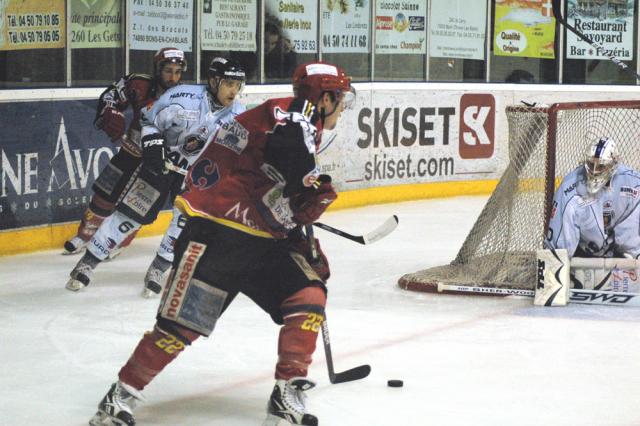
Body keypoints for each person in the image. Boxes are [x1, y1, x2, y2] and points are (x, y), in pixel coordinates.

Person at [87, 61, 354, 426]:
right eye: (340, 98)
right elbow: (284, 159)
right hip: (217, 234)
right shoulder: (297, 120)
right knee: (180, 327)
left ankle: (286, 392)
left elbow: (266, 186)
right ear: (324, 98)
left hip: (259, 239)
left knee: (308, 295)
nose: (342, 107)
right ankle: (120, 395)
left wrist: (298, 231)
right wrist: (307, 189)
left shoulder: (293, 117)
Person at [66, 57, 247, 292]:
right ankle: (87, 263)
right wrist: (153, 147)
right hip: (162, 166)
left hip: (195, 180)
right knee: (130, 215)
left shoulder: (239, 116)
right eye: (229, 83)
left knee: (181, 224)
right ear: (214, 81)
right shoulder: (182, 97)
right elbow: (148, 120)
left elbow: (236, 155)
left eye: (237, 85)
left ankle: (159, 268)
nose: (234, 91)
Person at [63, 47, 186, 255]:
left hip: (157, 160)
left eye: (177, 72)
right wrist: (109, 111)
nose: (173, 77)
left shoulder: (187, 97)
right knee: (105, 192)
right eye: (168, 71)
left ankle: (117, 241)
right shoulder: (139, 83)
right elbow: (110, 96)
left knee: (140, 202)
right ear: (157, 69)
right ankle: (85, 234)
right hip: (131, 150)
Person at [545, 137, 640, 258]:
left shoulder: (632, 184)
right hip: (584, 258)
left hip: (621, 259)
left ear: (613, 165)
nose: (594, 171)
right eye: (591, 164)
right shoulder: (569, 188)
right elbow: (557, 251)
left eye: (601, 166)